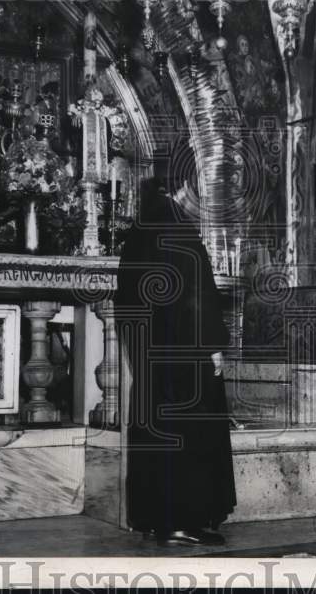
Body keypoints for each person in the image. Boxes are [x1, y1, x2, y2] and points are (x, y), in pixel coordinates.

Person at [115, 176, 236, 547]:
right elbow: (197, 293)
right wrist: (213, 345)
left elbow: (126, 304)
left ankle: (156, 519)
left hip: (153, 360)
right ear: (182, 190)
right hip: (186, 359)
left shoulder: (138, 234)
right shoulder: (178, 231)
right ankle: (183, 521)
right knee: (190, 434)